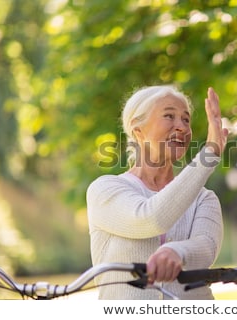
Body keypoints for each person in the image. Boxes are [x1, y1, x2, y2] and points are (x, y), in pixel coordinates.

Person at [86, 85, 228, 299]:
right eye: (169, 116)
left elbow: (206, 248)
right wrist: (209, 154)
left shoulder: (203, 198)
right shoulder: (104, 189)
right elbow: (151, 218)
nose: (181, 127)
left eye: (186, 119)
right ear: (138, 130)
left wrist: (177, 252)